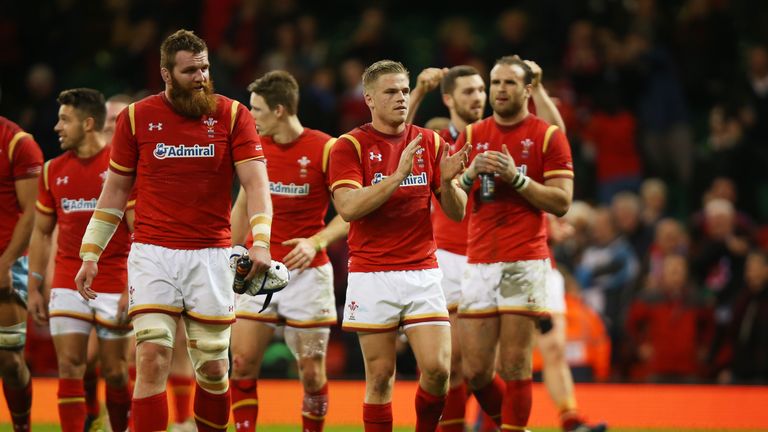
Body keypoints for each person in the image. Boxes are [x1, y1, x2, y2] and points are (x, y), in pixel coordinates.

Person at [74, 29, 272, 432]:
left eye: (205, 68)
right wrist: (90, 253)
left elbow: (256, 184)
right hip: (152, 252)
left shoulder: (232, 115)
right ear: (166, 74)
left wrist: (262, 241)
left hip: (211, 255)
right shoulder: (136, 117)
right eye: (190, 71)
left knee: (215, 368)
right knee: (150, 359)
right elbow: (114, 191)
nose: (201, 77)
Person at [328, 59, 470, 432]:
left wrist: (452, 183)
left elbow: (456, 213)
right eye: (391, 92)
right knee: (379, 378)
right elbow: (348, 207)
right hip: (371, 272)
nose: (401, 98)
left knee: (439, 370)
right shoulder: (349, 146)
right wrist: (396, 178)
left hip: (421, 269)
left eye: (405, 91)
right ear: (370, 99)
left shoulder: (430, 141)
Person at [455, 56, 574, 431]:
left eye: (509, 83)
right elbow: (450, 202)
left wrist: (517, 179)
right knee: (474, 370)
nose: (500, 90)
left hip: (524, 260)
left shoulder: (547, 135)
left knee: (515, 364)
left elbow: (562, 201)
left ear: (527, 90)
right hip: (478, 259)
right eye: (495, 83)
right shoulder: (473, 136)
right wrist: (467, 176)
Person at [229, 70, 348, 432]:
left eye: (257, 109)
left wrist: (317, 241)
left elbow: (350, 212)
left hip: (308, 274)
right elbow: (241, 208)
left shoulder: (327, 148)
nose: (251, 117)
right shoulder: (254, 150)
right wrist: (231, 255)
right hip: (256, 270)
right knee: (244, 361)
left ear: (279, 110)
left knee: (312, 372)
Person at [26, 88, 133, 432]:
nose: (57, 127)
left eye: (65, 120)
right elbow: (42, 233)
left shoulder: (121, 169)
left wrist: (133, 287)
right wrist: (33, 285)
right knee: (70, 366)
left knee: (115, 372)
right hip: (68, 282)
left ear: (88, 124)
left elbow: (138, 233)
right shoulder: (51, 171)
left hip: (114, 281)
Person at [408, 64, 486, 432]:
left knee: (487, 366)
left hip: (492, 255)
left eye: (480, 90)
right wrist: (418, 92)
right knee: (453, 363)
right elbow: (392, 137)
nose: (477, 98)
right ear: (450, 98)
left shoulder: (495, 136)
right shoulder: (438, 137)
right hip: (449, 254)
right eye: (468, 91)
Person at [0, 116, 43, 432]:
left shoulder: (17, 143)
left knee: (11, 362)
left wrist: (6, 263)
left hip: (6, 260)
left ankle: (21, 427)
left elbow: (32, 211)